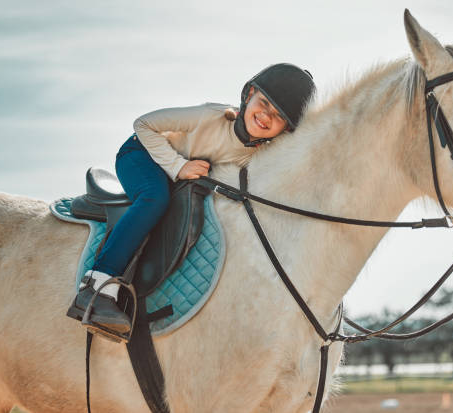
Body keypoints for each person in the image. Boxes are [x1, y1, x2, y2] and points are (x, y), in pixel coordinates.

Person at [67, 63, 316, 335]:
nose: (266, 116)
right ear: (249, 94)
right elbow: (144, 124)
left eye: (278, 116)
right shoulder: (209, 116)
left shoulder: (258, 153)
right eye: (264, 103)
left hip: (176, 174)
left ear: (285, 130)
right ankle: (97, 286)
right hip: (141, 153)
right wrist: (178, 166)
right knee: (154, 197)